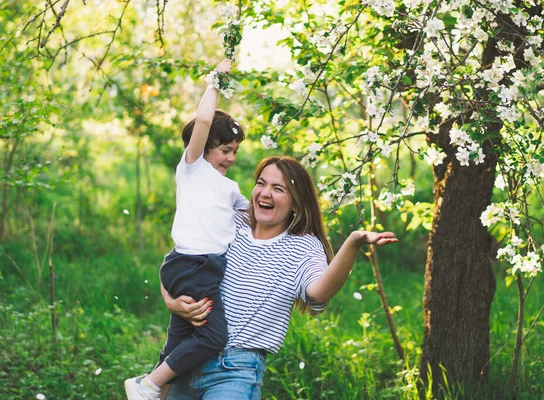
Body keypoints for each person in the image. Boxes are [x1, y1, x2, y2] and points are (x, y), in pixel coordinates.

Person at [162, 156, 398, 399]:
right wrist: (171, 301)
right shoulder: (230, 222)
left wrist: (352, 243)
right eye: (261, 183)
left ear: (296, 203)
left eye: (278, 189)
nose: (265, 193)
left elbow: (318, 292)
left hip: (233, 370)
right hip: (184, 358)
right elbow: (178, 261)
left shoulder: (303, 247)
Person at [125, 58, 248, 400]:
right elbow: (205, 118)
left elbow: (255, 218)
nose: (231, 157)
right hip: (193, 264)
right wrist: (217, 79)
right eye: (225, 150)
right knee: (212, 337)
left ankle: (155, 391)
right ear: (204, 145)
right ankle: (146, 385)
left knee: (180, 341)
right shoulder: (193, 169)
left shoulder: (230, 187)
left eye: (235, 151)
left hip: (203, 267)